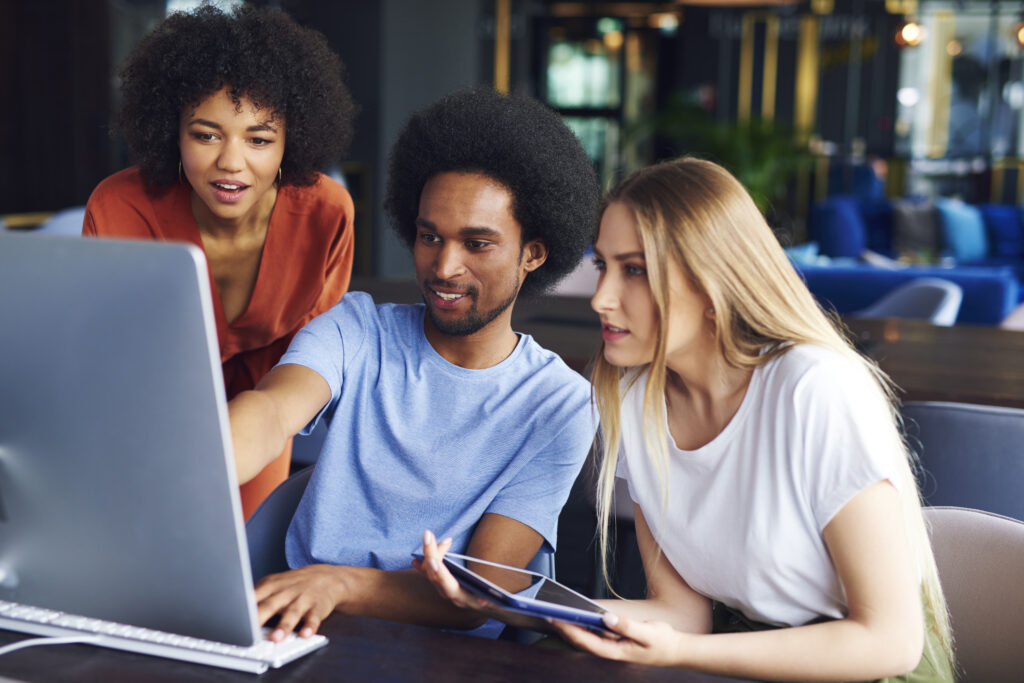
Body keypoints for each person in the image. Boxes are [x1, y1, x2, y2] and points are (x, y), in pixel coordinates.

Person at [419, 157, 955, 682]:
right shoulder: (633, 397)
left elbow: (891, 642)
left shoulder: (812, 387)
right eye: (603, 265)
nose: (601, 298)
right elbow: (681, 614)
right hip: (728, 652)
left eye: (635, 271)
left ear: (711, 282)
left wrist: (680, 651)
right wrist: (505, 604)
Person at [231, 87, 601, 641]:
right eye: (430, 236)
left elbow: (481, 592)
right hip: (299, 635)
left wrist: (340, 584)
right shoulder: (357, 329)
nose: (444, 266)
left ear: (533, 253)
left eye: (477, 244)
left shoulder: (560, 405)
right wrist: (190, 469)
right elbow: (271, 411)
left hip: (444, 658)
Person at [82, 4, 358, 518]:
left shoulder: (326, 213)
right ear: (172, 130)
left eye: (259, 139)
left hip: (263, 408)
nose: (231, 162)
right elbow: (105, 357)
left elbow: (315, 355)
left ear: (290, 141)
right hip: (145, 409)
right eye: (206, 134)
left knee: (244, 563)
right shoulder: (120, 207)